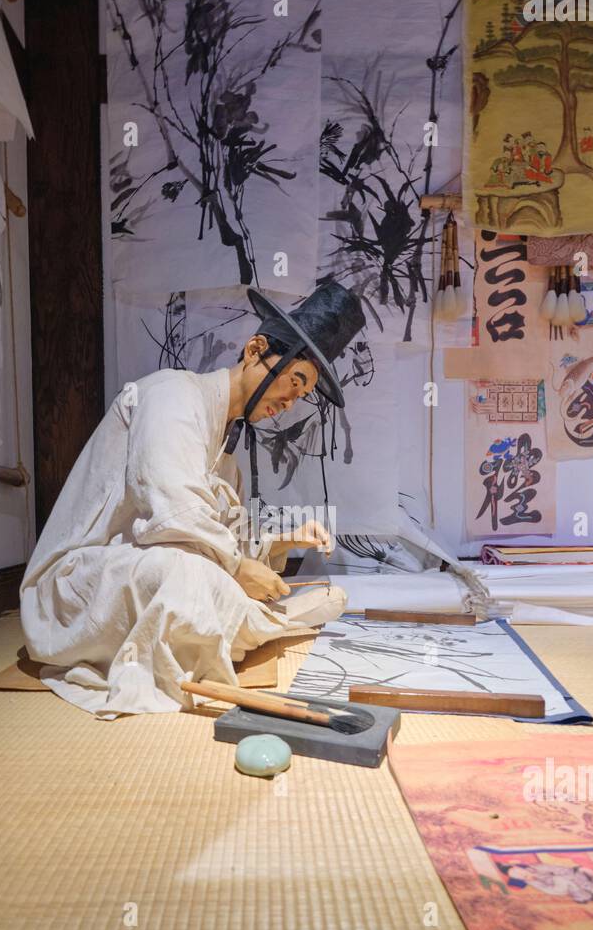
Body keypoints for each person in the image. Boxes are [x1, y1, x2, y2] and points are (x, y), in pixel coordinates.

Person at [20, 282, 366, 716]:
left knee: (210, 578)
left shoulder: (227, 453)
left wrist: (284, 541)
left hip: (147, 569)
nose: (291, 402)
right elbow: (173, 505)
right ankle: (262, 623)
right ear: (256, 348)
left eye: (302, 394)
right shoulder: (173, 392)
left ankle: (252, 621)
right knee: (185, 575)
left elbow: (225, 535)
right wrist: (238, 568)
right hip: (82, 582)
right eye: (293, 381)